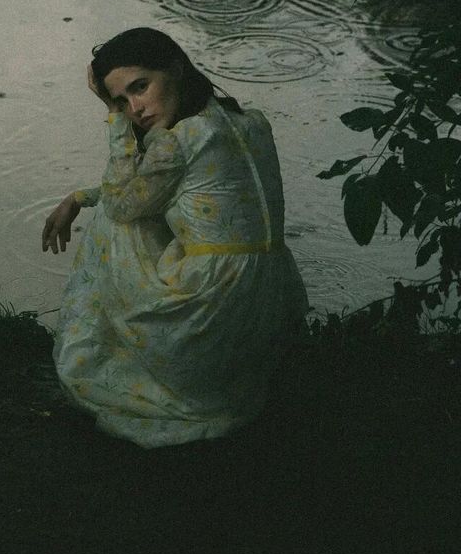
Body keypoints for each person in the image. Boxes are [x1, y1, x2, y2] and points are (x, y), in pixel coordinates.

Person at [42, 27, 308, 448]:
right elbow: (147, 186)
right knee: (138, 207)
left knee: (116, 223)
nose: (135, 109)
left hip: (210, 313)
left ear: (176, 68)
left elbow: (119, 203)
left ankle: (102, 348)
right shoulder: (253, 121)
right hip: (270, 303)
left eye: (140, 87)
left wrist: (111, 124)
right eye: (121, 101)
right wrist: (81, 196)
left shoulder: (178, 142)